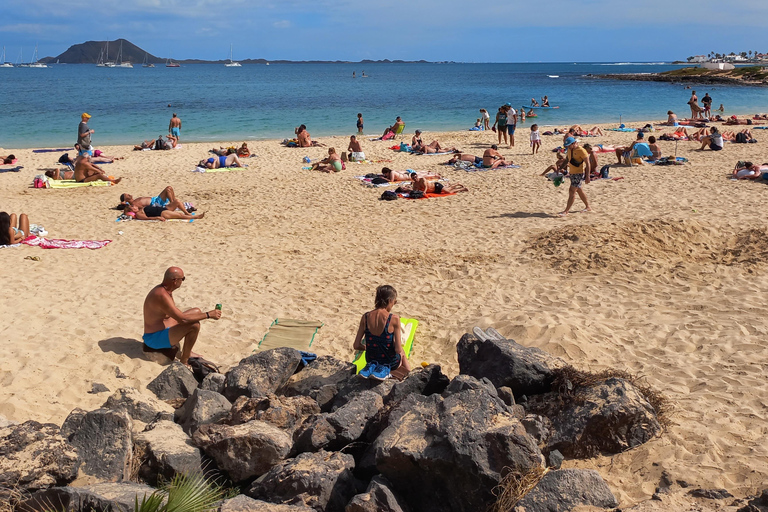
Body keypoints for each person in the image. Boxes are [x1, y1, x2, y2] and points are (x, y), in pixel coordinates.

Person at [142, 267, 220, 365]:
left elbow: (175, 315)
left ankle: (188, 351)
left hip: (163, 327)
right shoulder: (161, 295)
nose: (183, 281)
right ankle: (185, 360)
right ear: (175, 281)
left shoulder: (165, 290)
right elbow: (183, 320)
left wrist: (201, 314)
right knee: (194, 326)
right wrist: (208, 315)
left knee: (197, 311)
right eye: (182, 279)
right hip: (153, 338)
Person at [353, 285, 411, 379]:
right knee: (402, 352)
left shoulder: (366, 317)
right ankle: (409, 376)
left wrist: (368, 347)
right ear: (389, 301)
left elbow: (356, 345)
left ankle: (372, 367)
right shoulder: (394, 319)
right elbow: (398, 349)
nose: (393, 304)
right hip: (389, 362)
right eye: (394, 302)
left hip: (371, 359)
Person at [559, 137, 591, 217]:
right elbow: (567, 159)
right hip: (572, 173)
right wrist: (560, 168)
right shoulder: (570, 149)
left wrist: (588, 176)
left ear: (574, 143)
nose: (568, 147)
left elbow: (588, 163)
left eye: (569, 145)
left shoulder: (581, 151)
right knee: (579, 190)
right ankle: (588, 207)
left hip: (579, 173)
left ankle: (566, 211)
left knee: (572, 190)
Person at [119, 186, 193, 215]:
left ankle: (173, 203)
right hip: (156, 203)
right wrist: (124, 204)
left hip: (156, 199)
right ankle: (173, 203)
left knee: (170, 188)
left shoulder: (135, 200)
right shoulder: (134, 205)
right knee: (168, 189)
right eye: (127, 195)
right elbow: (137, 210)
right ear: (125, 200)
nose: (129, 195)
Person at [122, 203, 202, 221]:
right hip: (162, 213)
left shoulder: (140, 209)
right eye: (132, 207)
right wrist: (157, 217)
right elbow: (147, 218)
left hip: (162, 210)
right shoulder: (139, 214)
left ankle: (191, 215)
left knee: (179, 214)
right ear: (131, 211)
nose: (134, 207)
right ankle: (195, 217)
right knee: (180, 215)